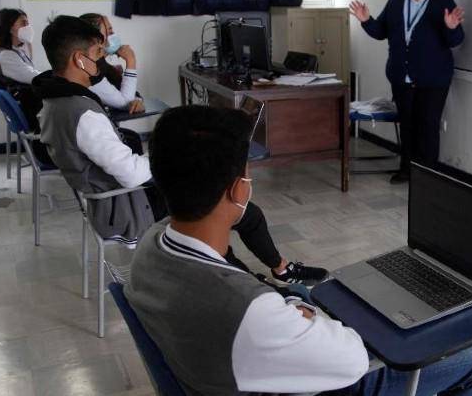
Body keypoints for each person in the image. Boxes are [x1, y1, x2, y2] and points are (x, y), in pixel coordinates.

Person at [126, 104, 472, 395]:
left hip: (213, 360)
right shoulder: (249, 311)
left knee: (303, 292)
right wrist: (302, 313)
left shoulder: (150, 244)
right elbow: (351, 361)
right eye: (248, 173)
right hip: (278, 373)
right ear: (238, 191)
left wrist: (292, 305)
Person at [32, 15, 327, 286]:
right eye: (96, 55)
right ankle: (260, 282)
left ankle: (268, 274)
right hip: (127, 207)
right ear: (79, 59)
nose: (100, 61)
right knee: (235, 212)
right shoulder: (83, 114)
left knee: (232, 208)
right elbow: (131, 173)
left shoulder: (54, 102)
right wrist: (174, 157)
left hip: (110, 200)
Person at [350, 0, 465, 185]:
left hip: (433, 79)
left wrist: (451, 27)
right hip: (401, 77)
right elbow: (381, 30)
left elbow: (456, 39)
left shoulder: (442, 1)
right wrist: (366, 20)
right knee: (408, 125)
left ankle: (428, 176)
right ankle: (407, 170)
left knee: (428, 126)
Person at [0, 8, 43, 131]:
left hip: (29, 105)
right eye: (23, 23)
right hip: (30, 110)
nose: (28, 27)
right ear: (9, 28)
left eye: (28, 23)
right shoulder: (6, 56)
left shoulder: (15, 51)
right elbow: (34, 78)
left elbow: (31, 74)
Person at [79, 13, 145, 113]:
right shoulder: (90, 71)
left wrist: (138, 101)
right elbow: (125, 102)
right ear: (95, 39)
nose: (114, 35)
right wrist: (131, 61)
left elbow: (133, 95)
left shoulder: (102, 65)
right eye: (109, 32)